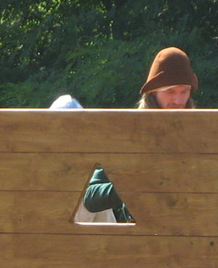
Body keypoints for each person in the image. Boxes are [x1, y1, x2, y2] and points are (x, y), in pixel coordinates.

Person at [81, 47, 197, 221]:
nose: (178, 101)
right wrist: (136, 183)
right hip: (142, 240)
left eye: (184, 92)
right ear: (154, 93)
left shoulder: (200, 132)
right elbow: (91, 197)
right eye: (170, 91)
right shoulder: (129, 135)